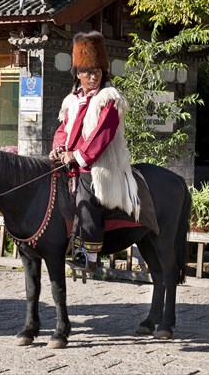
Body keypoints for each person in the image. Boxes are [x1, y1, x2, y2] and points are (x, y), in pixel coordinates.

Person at [49, 31, 140, 272]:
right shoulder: (72, 100)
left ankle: (87, 255)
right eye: (88, 71)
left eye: (97, 71)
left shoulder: (109, 98)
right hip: (72, 161)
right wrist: (59, 149)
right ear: (78, 73)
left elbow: (101, 135)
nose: (93, 76)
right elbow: (63, 130)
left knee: (87, 193)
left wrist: (76, 156)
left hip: (99, 163)